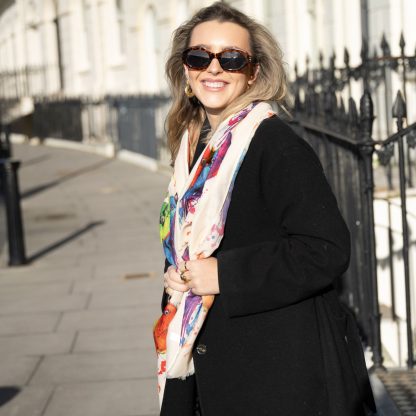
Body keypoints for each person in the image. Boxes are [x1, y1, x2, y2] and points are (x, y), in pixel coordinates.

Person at [153, 2, 376, 415]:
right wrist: (179, 272)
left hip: (278, 373)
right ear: (186, 69)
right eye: (200, 56)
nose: (214, 68)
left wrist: (225, 273)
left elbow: (326, 248)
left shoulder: (274, 144)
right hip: (215, 357)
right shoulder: (196, 147)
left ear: (253, 72)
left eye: (232, 59)